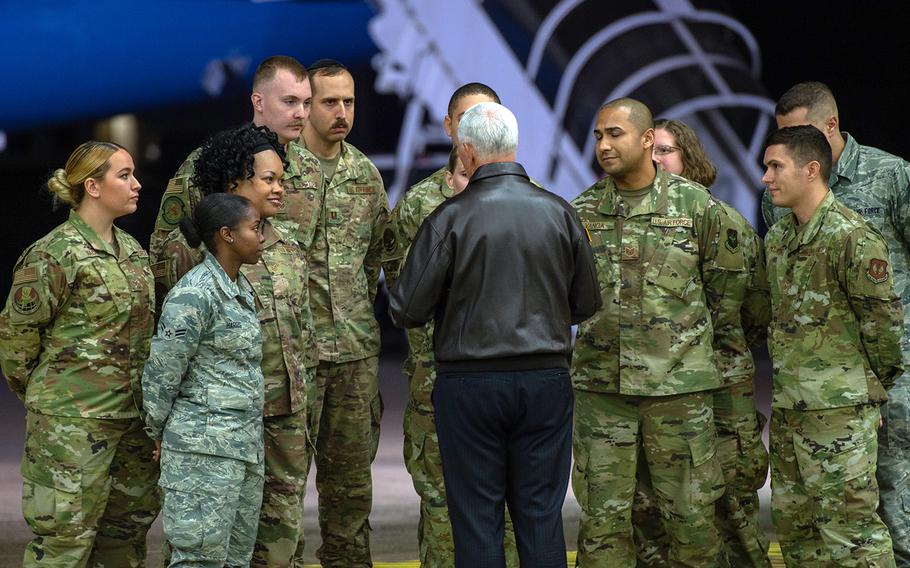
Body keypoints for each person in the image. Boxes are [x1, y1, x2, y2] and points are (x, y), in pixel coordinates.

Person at [390, 101, 601, 567]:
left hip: (470, 387)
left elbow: (405, 308)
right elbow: (586, 304)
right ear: (514, 147)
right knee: (541, 517)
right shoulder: (560, 212)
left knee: (477, 520)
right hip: (546, 380)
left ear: (466, 151)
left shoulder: (447, 219)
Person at [571, 98, 745, 567]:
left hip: (679, 395)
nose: (604, 145)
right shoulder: (581, 212)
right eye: (598, 136)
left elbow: (725, 296)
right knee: (603, 527)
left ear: (648, 140)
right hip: (602, 393)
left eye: (615, 134)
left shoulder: (696, 207)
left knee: (691, 523)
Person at [154, 123, 315, 567]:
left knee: (273, 541)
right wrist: (162, 429)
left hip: (275, 416)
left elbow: (302, 334)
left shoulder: (288, 246)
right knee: (203, 544)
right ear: (235, 184)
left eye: (282, 179)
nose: (280, 188)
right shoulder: (194, 258)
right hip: (211, 429)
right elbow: (170, 355)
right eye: (269, 179)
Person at [762, 82, 910, 564]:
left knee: (879, 512)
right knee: (802, 527)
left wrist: (873, 387)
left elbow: (883, 324)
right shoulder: (780, 227)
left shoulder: (885, 183)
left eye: (775, 166)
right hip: (795, 400)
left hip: (858, 391)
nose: (766, 178)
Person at [0, 141, 159, 566]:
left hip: (131, 426)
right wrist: (53, 402)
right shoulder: (54, 254)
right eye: (123, 175)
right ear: (92, 186)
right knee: (63, 546)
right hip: (70, 431)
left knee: (123, 544)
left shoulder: (133, 253)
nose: (136, 184)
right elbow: (17, 342)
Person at [381, 83, 520, 567]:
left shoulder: (529, 201)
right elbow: (405, 299)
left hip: (508, 382)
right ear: (449, 128)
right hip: (438, 382)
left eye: (487, 117)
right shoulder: (420, 208)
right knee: (442, 509)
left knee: (507, 508)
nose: (477, 129)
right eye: (466, 119)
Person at [632, 118, 771, 567]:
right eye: (650, 150)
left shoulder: (724, 223)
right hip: (655, 400)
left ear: (690, 159)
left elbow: (752, 313)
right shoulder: (631, 228)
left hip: (720, 398)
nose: (656, 160)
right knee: (653, 519)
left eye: (666, 150)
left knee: (731, 516)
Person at [298, 58, 389, 567]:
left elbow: (376, 256)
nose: (340, 112)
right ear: (307, 105)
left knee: (352, 488)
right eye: (329, 101)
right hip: (294, 356)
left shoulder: (364, 174)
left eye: (348, 101)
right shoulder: (280, 170)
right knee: (283, 489)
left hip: (355, 356)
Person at [143, 193, 265, 567]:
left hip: (241, 448)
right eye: (255, 228)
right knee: (198, 560)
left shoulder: (240, 288)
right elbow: (163, 372)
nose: (262, 237)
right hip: (201, 451)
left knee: (235, 560)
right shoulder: (194, 294)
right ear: (227, 235)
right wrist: (160, 432)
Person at [150, 56, 323, 317]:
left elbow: (313, 261)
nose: (301, 113)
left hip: (286, 332)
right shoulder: (212, 162)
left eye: (307, 103)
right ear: (258, 102)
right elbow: (166, 253)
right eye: (289, 101)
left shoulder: (311, 169)